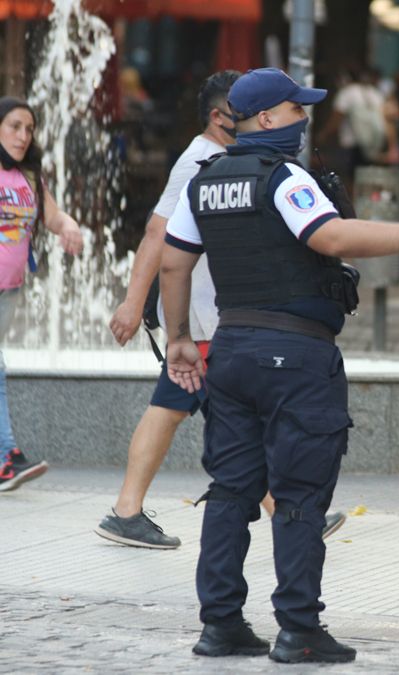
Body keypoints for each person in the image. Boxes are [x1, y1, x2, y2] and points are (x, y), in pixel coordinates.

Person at [159, 67, 399, 663]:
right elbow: (331, 239)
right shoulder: (284, 179)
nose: (303, 120)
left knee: (231, 491)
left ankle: (220, 623)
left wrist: (179, 338)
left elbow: (174, 264)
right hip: (296, 357)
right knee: (301, 494)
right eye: (293, 111)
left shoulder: (205, 183)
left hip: (229, 352)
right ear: (264, 120)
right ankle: (298, 629)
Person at [96, 71, 347, 549]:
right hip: (209, 316)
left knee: (197, 408)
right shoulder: (199, 161)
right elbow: (157, 233)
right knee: (184, 406)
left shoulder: (231, 159)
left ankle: (134, 509)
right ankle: (128, 509)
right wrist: (132, 304)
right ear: (220, 118)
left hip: (218, 314)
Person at [0, 97, 83, 492]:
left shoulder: (29, 176)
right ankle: (6, 456)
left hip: (8, 291)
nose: (22, 135)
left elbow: (51, 216)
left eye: (29, 129)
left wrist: (68, 226)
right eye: (14, 126)